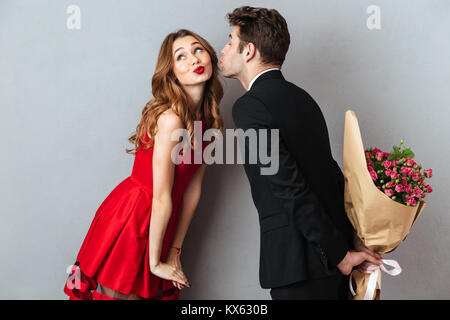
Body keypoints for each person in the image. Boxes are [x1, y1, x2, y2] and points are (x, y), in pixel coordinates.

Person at [220, 6, 382, 300]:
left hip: (299, 267)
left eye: (230, 41)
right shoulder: (304, 99)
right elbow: (330, 175)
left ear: (249, 51)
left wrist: (341, 254)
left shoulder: (249, 107)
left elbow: (286, 185)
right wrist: (350, 241)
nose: (224, 49)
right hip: (331, 264)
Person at [64, 29, 224, 300]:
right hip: (135, 215)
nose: (194, 59)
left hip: (164, 219)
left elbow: (192, 191)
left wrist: (174, 251)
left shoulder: (211, 125)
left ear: (209, 55)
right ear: (172, 73)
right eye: (181, 57)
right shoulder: (169, 119)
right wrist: (154, 262)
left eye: (198, 50)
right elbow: (161, 195)